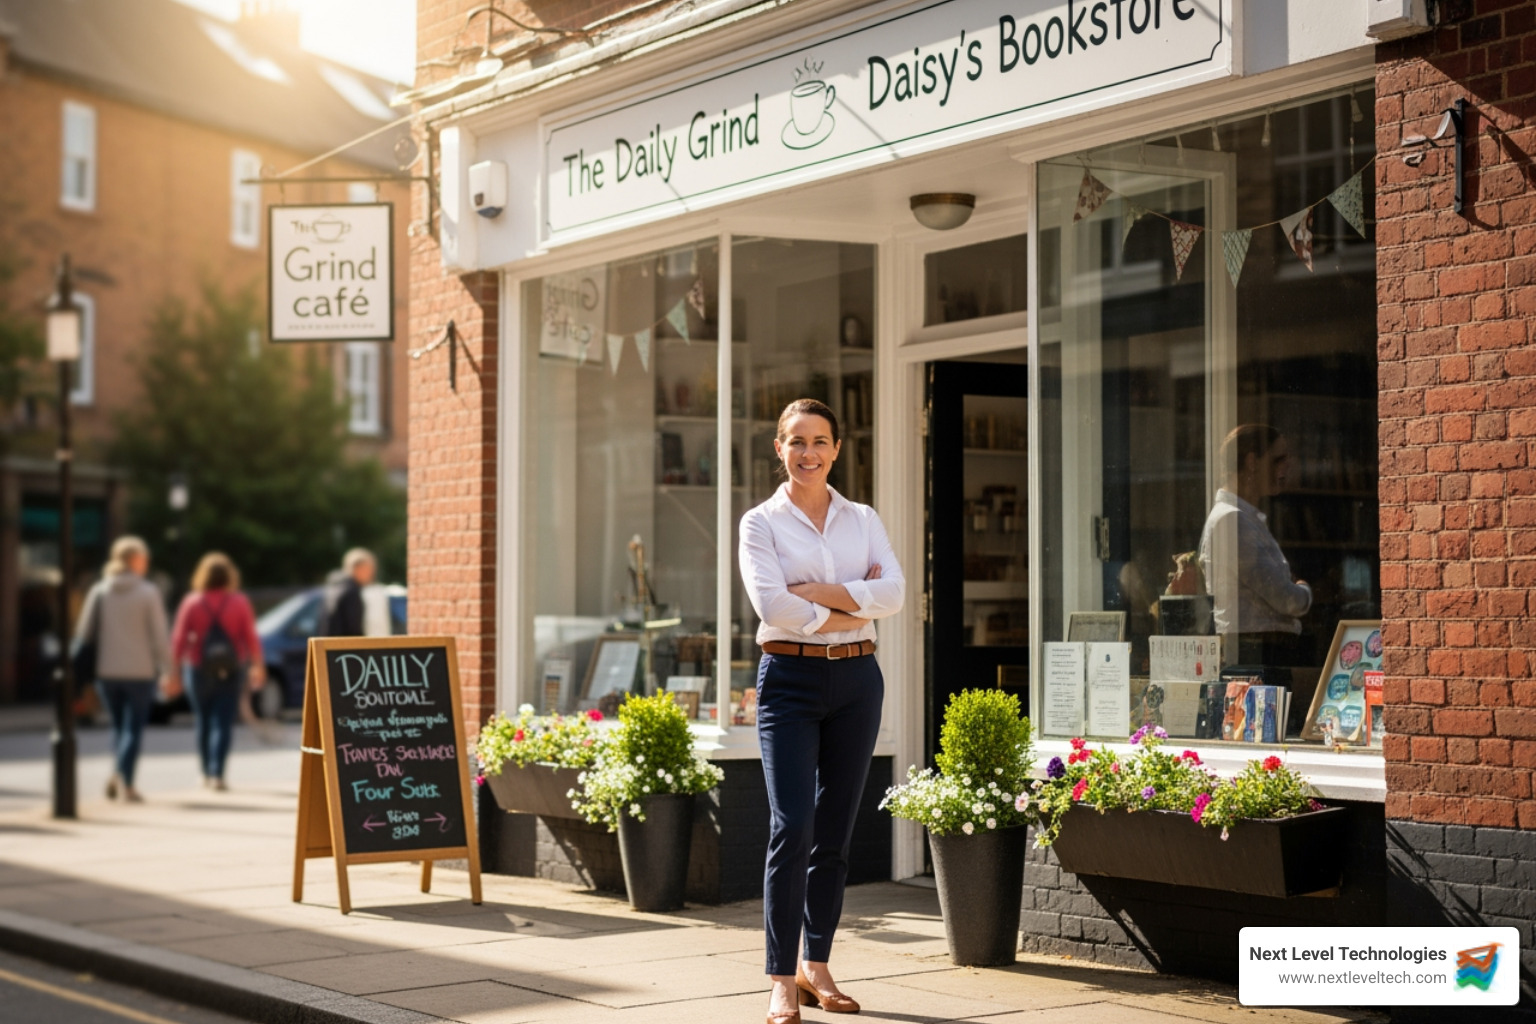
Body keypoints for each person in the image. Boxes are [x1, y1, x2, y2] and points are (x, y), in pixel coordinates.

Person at [738, 398, 905, 1024]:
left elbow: (894, 592)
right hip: (789, 681)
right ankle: (781, 978)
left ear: (837, 449)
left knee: (834, 832)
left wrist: (823, 598)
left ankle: (818, 963)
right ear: (779, 449)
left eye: (821, 441)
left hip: (859, 680)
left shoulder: (862, 518)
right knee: (793, 826)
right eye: (797, 441)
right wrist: (849, 609)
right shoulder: (760, 523)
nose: (809, 452)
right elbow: (772, 606)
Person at [1198, 424, 1312, 668]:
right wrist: (1304, 591)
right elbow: (1285, 599)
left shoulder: (1241, 518)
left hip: (1259, 652)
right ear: (1252, 462)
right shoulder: (1231, 520)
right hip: (1256, 655)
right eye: (1279, 459)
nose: (1287, 466)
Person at [73, 536, 173, 802]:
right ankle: (125, 780)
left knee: (118, 728)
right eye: (143, 557)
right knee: (133, 729)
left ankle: (119, 772)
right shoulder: (148, 592)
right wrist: (169, 670)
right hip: (140, 673)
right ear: (132, 560)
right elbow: (159, 637)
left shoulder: (100, 590)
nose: (147, 562)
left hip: (107, 673)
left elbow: (84, 633)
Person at [171, 553, 264, 791]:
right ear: (229, 576)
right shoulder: (239, 602)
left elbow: (179, 639)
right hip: (232, 668)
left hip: (198, 667)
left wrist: (174, 672)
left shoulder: (192, 602)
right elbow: (250, 637)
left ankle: (204, 773)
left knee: (203, 721)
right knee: (222, 723)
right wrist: (257, 665)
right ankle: (218, 774)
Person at [321, 548, 375, 637]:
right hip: (344, 649)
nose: (371, 574)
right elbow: (354, 630)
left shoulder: (334, 587)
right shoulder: (351, 592)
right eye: (369, 570)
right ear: (358, 568)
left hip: (329, 646)